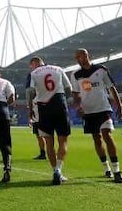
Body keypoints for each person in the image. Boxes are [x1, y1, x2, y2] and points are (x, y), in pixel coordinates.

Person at [71, 48, 122, 183]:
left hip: (103, 108)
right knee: (97, 139)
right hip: (88, 111)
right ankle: (106, 168)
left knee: (107, 134)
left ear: (86, 55)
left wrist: (119, 104)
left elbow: (111, 87)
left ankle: (117, 171)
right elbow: (75, 94)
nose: (78, 59)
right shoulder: (75, 75)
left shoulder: (101, 70)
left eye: (79, 56)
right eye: (76, 57)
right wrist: (78, 107)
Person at [27, 56, 72, 185]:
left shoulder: (34, 73)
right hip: (59, 103)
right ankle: (58, 169)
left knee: (49, 141)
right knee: (63, 139)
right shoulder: (58, 69)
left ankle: (54, 171)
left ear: (35, 63)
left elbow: (30, 92)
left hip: (43, 107)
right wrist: (63, 99)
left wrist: (30, 108)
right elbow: (68, 88)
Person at [26, 73, 46, 160]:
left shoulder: (39, 93)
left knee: (44, 136)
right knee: (40, 136)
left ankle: (47, 152)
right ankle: (43, 153)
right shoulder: (36, 95)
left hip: (40, 116)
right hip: (36, 116)